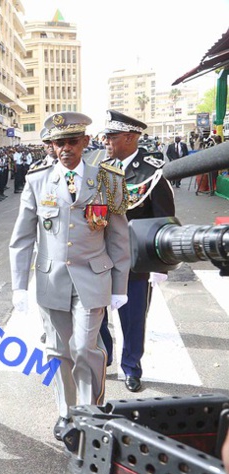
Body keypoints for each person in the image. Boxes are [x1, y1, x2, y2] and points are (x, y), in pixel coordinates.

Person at [9, 112, 131, 441]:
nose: (65, 148)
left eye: (72, 141)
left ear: (85, 142)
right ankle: (66, 413)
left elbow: (119, 237)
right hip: (51, 280)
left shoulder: (108, 179)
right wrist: (19, 285)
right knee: (58, 350)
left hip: (93, 277)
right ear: (51, 146)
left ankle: (89, 413)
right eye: (58, 142)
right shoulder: (37, 180)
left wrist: (120, 284)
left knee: (84, 347)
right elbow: (22, 238)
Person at [102, 110, 175, 392]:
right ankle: (105, 354)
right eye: (106, 136)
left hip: (135, 262)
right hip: (102, 259)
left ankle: (131, 366)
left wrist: (160, 266)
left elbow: (164, 222)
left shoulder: (152, 173)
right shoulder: (104, 168)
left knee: (132, 318)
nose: (106, 140)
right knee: (96, 315)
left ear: (130, 138)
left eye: (112, 136)